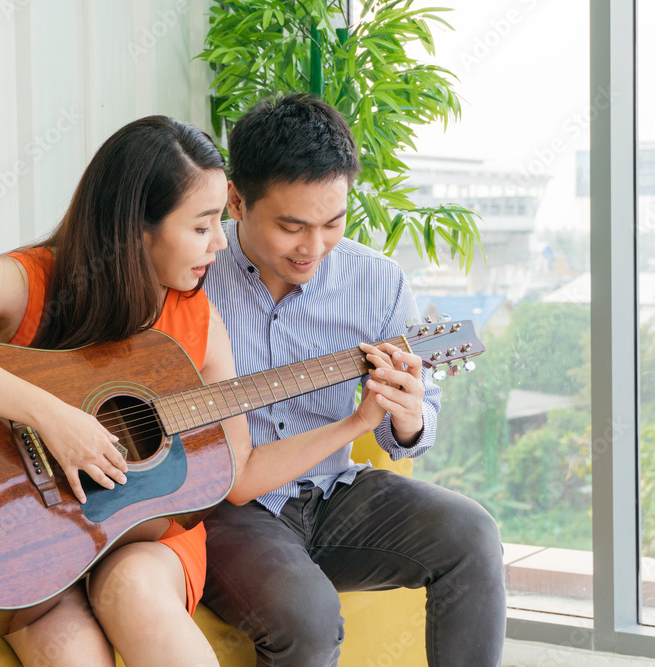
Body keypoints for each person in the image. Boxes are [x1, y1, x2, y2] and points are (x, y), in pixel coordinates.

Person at [0, 116, 405, 667]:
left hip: (145, 540)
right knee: (73, 655)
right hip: (29, 537)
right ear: (136, 227)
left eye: (219, 221)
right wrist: (54, 417)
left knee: (138, 596)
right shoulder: (28, 280)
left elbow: (239, 476)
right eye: (201, 227)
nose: (221, 241)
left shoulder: (201, 322)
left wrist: (358, 423)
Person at [201, 93, 507, 667]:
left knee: (472, 536)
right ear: (236, 201)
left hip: (335, 493)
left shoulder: (380, 282)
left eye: (332, 222)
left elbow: (412, 428)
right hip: (231, 508)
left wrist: (408, 416)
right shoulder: (193, 275)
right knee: (306, 615)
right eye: (291, 226)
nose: (313, 248)